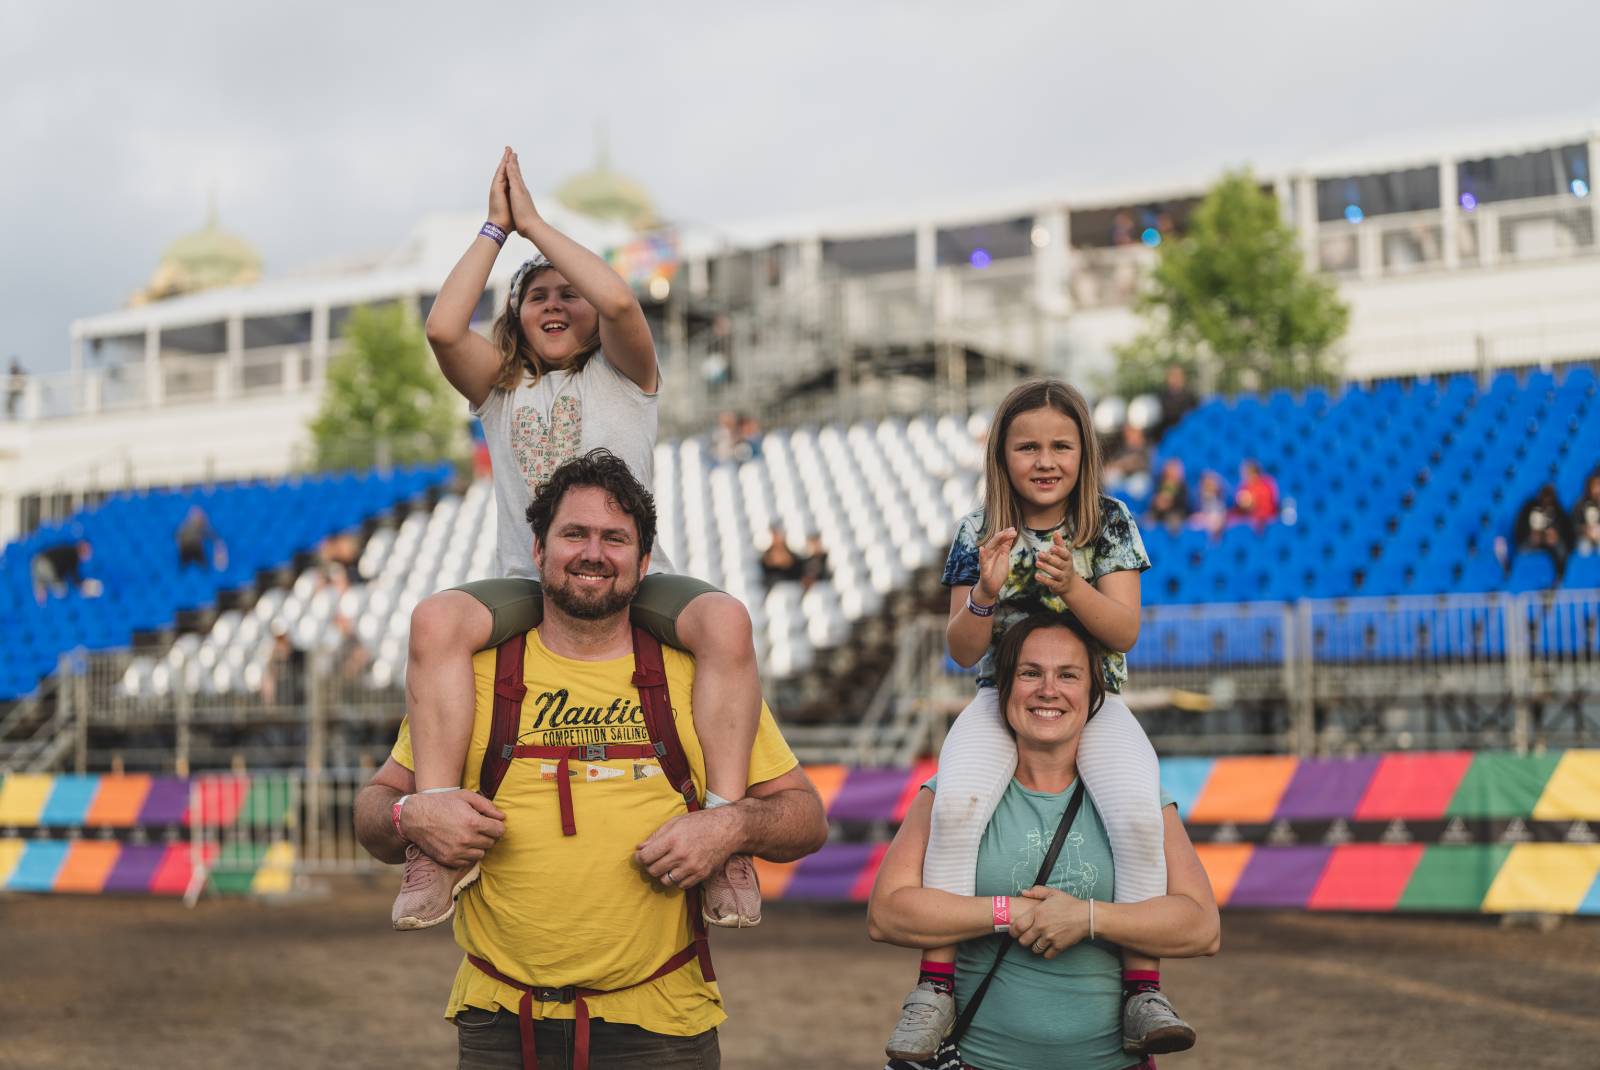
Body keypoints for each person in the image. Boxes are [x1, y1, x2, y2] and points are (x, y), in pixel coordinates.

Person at [353, 451, 828, 1070]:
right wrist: (410, 818)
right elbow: (373, 810)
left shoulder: (700, 678)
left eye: (615, 538)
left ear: (645, 561)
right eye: (573, 533)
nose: (593, 553)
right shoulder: (468, 677)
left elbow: (807, 818)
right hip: (501, 1022)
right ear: (538, 549)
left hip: (659, 1024)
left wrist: (731, 826)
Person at [400, 148, 764, 931]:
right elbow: (439, 326)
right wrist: (497, 230)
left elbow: (624, 305)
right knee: (433, 620)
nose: (557, 302)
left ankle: (727, 833)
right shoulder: (500, 388)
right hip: (529, 587)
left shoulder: (626, 376)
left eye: (572, 292)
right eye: (539, 296)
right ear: (517, 313)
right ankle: (433, 838)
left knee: (726, 621)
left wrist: (538, 223)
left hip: (630, 578)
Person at [881, 379, 1194, 1062]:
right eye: (1027, 446)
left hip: (1096, 706)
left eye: (1061, 445)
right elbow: (961, 648)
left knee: (1140, 816)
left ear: (1084, 454)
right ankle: (935, 988)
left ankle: (1143, 987)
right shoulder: (977, 530)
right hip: (1001, 702)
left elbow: (1125, 630)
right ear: (1003, 455)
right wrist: (987, 595)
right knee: (956, 807)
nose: (1045, 460)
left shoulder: (1108, 522)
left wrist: (1072, 587)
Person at [868, 615, 1221, 1070]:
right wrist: (1009, 911)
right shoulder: (951, 793)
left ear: (1094, 693)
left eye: (1068, 675)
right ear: (1003, 688)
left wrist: (1088, 918)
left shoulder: (1137, 798)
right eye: (1029, 673)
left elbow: (1202, 927)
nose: (1048, 690)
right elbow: (887, 915)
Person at [1510, 483, 1575, 580]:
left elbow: (1568, 531)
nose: (1547, 501)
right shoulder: (1529, 508)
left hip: (1552, 545)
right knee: (1523, 551)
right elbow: (1519, 529)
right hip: (1531, 541)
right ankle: (1519, 576)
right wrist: (1531, 534)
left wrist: (1556, 535)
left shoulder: (1558, 510)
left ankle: (1560, 577)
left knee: (1561, 550)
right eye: (1545, 497)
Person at [30, 538, 94, 605]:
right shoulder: (73, 555)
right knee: (61, 589)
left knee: (42, 582)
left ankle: (41, 591)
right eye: (88, 552)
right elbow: (74, 575)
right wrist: (82, 586)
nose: (88, 556)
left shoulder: (68, 549)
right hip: (46, 565)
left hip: (36, 561)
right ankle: (42, 592)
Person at [1153, 365, 1197, 443]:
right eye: (1173, 376)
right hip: (1165, 438)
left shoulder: (1190, 397)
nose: (1176, 379)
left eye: (1178, 376)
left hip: (1185, 438)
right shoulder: (1160, 398)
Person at [176, 505, 227, 572]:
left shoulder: (200, 525)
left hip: (195, 549)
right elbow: (178, 537)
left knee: (203, 568)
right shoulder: (186, 526)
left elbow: (211, 535)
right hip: (188, 550)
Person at [1230, 459, 1279, 528]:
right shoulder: (1243, 487)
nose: (1244, 476)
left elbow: (1269, 506)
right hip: (1248, 519)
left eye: (1246, 472)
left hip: (1266, 518)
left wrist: (1252, 502)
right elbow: (1239, 506)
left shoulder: (1266, 484)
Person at [1146, 459, 1190, 533]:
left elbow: (1184, 504)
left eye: (1175, 471)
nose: (1172, 473)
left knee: (1174, 521)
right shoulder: (1159, 484)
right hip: (1158, 513)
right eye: (1170, 470)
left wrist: (1170, 501)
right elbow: (1153, 499)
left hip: (1176, 513)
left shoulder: (1183, 487)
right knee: (1148, 520)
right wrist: (1158, 502)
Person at [1186, 471, 1229, 538]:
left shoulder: (1219, 502)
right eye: (1206, 484)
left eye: (1211, 484)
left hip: (1214, 531)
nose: (1208, 486)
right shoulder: (1196, 500)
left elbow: (1220, 520)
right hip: (1200, 531)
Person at [1572, 468, 1600, 556]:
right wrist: (1585, 530)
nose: (1597, 488)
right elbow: (1573, 525)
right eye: (1595, 485)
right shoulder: (1580, 504)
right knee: (1584, 548)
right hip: (1584, 538)